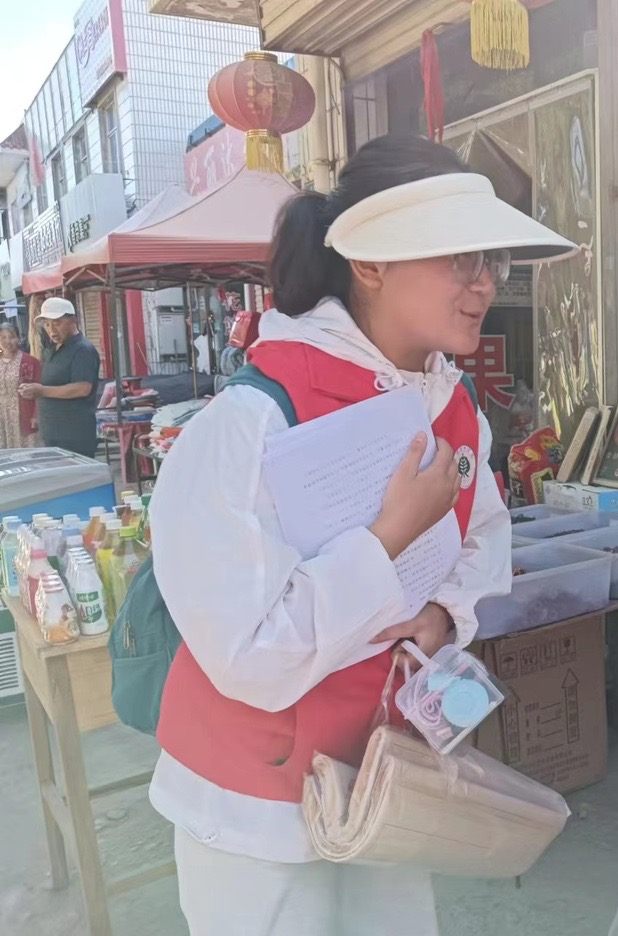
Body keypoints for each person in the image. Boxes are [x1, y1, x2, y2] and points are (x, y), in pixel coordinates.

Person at [146, 133, 575, 935]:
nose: (484, 283)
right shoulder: (250, 421)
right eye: (459, 258)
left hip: (387, 774)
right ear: (371, 261)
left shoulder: (453, 406)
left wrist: (444, 613)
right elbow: (247, 656)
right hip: (257, 805)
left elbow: (484, 538)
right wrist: (385, 542)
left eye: (492, 261)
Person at [19, 297, 101, 458]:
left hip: (73, 434)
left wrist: (41, 390)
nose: (51, 330)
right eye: (47, 324)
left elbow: (82, 388)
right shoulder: (53, 348)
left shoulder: (82, 349)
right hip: (52, 430)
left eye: (56, 323)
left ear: (73, 321)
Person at [0, 321, 41, 448]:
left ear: (19, 338)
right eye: (3, 337)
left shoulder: (31, 362)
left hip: (23, 414)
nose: (8, 341)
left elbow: (40, 392)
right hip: (2, 416)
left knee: (25, 452)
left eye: (12, 337)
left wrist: (36, 415)